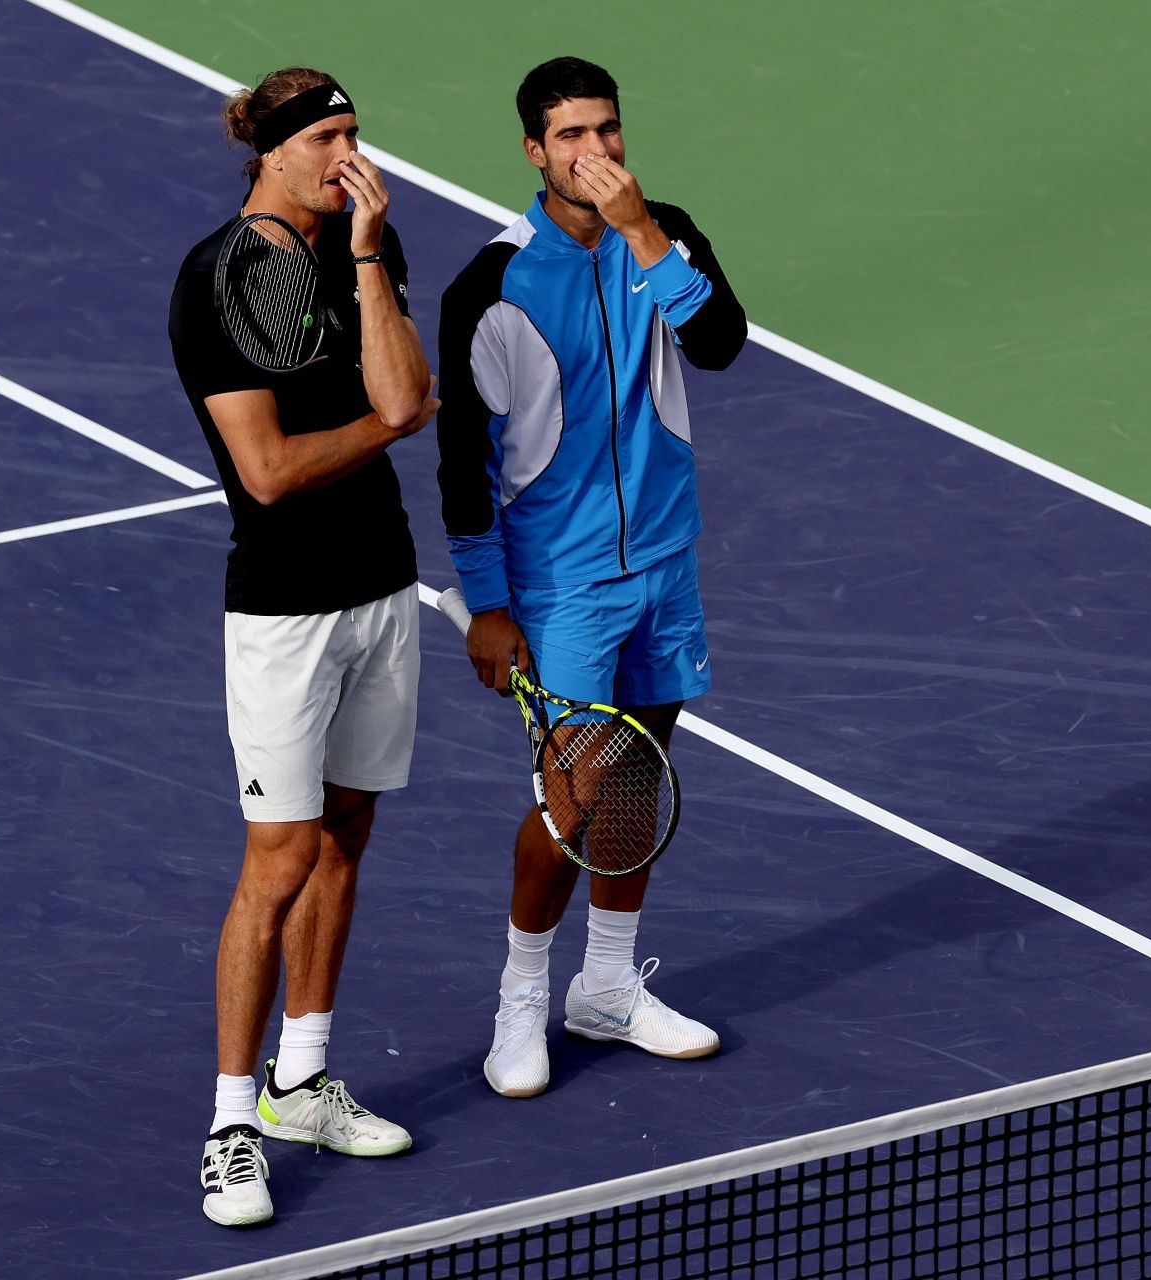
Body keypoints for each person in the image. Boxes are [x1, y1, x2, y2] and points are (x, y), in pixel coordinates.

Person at [435, 56, 747, 1099]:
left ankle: (606, 985)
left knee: (642, 773)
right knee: (574, 794)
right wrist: (487, 601)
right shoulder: (491, 284)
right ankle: (523, 995)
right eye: (571, 136)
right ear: (534, 151)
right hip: (559, 582)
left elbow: (719, 342)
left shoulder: (667, 232)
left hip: (663, 559)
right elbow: (462, 464)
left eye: (607, 131)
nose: (596, 153)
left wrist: (647, 235)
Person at [167, 66, 437, 1227]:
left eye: (355, 133)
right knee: (277, 859)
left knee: (348, 836)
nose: (350, 154)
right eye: (329, 136)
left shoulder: (364, 245)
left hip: (384, 587)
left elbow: (409, 390)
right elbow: (270, 475)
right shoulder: (216, 282)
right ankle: (232, 1123)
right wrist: (384, 421)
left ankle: (302, 1076)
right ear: (272, 153)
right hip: (285, 611)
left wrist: (371, 256)